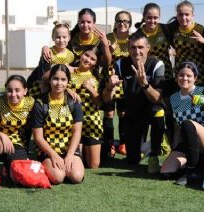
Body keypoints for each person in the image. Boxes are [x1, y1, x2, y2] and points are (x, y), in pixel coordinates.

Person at [103, 32, 165, 174]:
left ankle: (154, 152)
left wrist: (144, 84)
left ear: (148, 48)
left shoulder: (156, 64)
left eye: (141, 47)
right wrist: (109, 87)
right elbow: (106, 99)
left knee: (158, 112)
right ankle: (141, 147)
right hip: (133, 112)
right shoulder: (120, 64)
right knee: (132, 160)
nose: (137, 51)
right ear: (128, 48)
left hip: (152, 110)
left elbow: (157, 99)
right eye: (133, 47)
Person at [161, 61, 204, 187]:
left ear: (195, 78)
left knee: (188, 124)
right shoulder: (173, 98)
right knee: (166, 172)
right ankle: (197, 163)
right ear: (177, 77)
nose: (185, 78)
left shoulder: (203, 91)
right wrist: (175, 149)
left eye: (189, 76)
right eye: (181, 75)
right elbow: (177, 126)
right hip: (188, 143)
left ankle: (193, 171)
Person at [31, 64, 85, 184]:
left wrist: (70, 155)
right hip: (49, 150)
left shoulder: (74, 101)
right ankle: (48, 164)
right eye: (55, 79)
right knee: (58, 178)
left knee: (76, 177)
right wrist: (54, 155)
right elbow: (38, 138)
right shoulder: (40, 104)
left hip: (68, 149)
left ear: (68, 82)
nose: (59, 83)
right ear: (49, 80)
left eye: (63, 79)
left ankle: (69, 165)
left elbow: (77, 131)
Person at [0, 74, 35, 190]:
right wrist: (2, 135)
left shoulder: (31, 103)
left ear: (25, 91)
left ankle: (7, 166)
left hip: (18, 144)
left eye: (17, 90)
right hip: (0, 142)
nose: (13, 94)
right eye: (9, 90)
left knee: (19, 178)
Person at [41, 8, 112, 69]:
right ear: (78, 22)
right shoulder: (70, 36)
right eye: (82, 22)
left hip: (91, 77)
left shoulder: (99, 39)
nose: (85, 25)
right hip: (70, 76)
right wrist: (45, 48)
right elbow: (57, 48)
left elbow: (106, 63)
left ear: (94, 23)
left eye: (89, 22)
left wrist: (105, 45)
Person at [103, 11, 132, 157]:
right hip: (109, 80)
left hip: (125, 82)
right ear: (115, 23)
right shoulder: (108, 38)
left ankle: (123, 143)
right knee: (109, 113)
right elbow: (104, 61)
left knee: (123, 113)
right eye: (119, 21)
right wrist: (108, 51)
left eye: (126, 21)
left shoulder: (133, 39)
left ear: (130, 24)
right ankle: (109, 146)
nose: (122, 24)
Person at [69, 48, 103, 169]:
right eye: (86, 55)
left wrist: (91, 89)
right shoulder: (68, 73)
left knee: (94, 165)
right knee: (77, 163)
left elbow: (99, 102)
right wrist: (67, 89)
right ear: (81, 55)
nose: (88, 59)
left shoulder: (95, 78)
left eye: (92, 59)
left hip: (91, 123)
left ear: (95, 64)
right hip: (71, 122)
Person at [26, 22, 75, 100]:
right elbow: (43, 77)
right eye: (58, 37)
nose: (61, 40)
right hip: (45, 87)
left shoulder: (71, 55)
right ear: (53, 38)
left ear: (69, 38)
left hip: (61, 87)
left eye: (64, 37)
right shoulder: (48, 53)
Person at [169, 0, 204, 87]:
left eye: (187, 14)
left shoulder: (201, 30)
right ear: (177, 15)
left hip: (199, 75)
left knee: (200, 100)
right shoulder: (172, 29)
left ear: (192, 15)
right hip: (181, 75)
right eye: (180, 14)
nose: (183, 17)